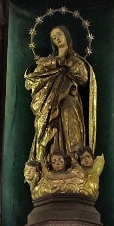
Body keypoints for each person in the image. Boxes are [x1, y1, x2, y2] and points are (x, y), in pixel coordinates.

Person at [23, 25, 95, 189]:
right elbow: (36, 73)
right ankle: (53, 168)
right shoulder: (49, 61)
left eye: (59, 34)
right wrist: (57, 61)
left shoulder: (75, 60)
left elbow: (83, 77)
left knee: (72, 133)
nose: (57, 38)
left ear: (66, 36)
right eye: (53, 36)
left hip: (70, 103)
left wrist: (67, 62)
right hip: (50, 106)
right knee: (52, 134)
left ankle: (74, 167)